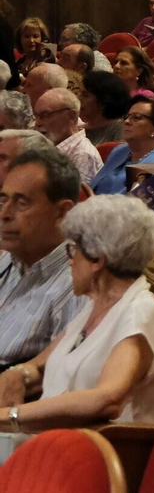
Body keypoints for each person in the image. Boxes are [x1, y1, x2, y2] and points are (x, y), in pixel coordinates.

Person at [0, 193, 154, 464]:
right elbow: (39, 366)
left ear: (97, 260)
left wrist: (10, 418)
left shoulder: (141, 314)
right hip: (54, 445)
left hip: (98, 458)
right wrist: (18, 373)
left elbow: (107, 399)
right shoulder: (93, 308)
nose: (70, 261)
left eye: (73, 250)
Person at [0, 141, 83, 371]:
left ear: (63, 212)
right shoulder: (11, 258)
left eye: (21, 202)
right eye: (3, 200)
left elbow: (65, 378)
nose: (5, 214)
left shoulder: (77, 285)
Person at [91, 95, 154, 195]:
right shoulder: (119, 151)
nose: (126, 121)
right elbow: (93, 187)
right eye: (127, 116)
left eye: (137, 117)